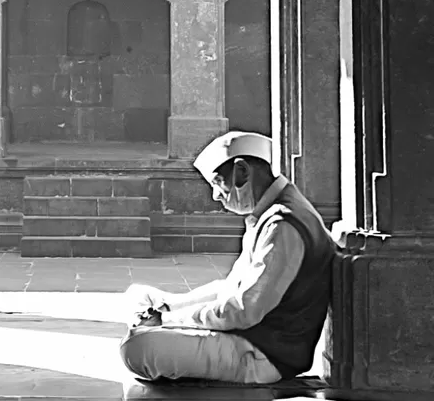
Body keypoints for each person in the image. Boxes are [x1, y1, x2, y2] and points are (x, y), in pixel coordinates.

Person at [119, 131, 336, 385]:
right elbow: (231, 289)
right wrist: (169, 309)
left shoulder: (283, 225)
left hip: (260, 354)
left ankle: (157, 326)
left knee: (135, 348)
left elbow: (244, 311)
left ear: (242, 172)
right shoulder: (270, 213)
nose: (215, 195)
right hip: (247, 335)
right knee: (138, 295)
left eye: (217, 182)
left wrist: (167, 319)